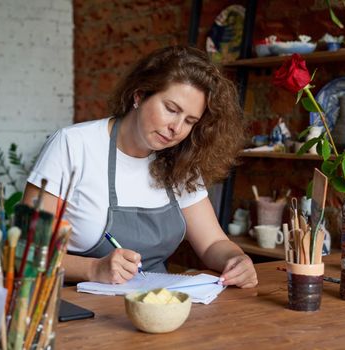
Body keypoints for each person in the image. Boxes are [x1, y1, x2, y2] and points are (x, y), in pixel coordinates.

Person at [23, 45, 257, 289]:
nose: (176, 128)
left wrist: (236, 259)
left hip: (154, 305)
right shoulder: (73, 145)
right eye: (171, 109)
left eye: (189, 121)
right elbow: (27, 252)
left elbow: (212, 243)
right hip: (78, 306)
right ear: (139, 95)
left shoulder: (181, 160)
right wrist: (93, 268)